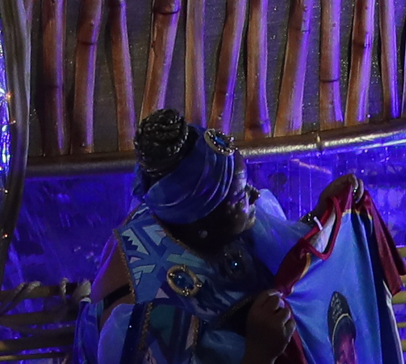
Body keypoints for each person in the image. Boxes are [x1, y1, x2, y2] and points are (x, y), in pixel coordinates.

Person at [86, 112, 305, 364]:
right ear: (202, 219)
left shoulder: (175, 213)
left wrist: (324, 215)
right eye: (238, 197)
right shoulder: (146, 321)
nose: (255, 195)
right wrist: (259, 353)